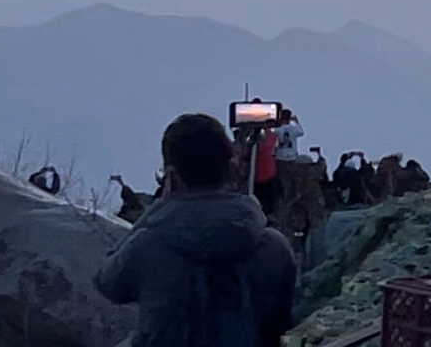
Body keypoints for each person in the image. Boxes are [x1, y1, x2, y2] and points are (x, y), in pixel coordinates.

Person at [95, 113, 298, 347]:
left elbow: (107, 283)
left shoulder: (147, 247)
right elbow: (285, 323)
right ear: (233, 170)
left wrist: (156, 209)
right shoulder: (275, 248)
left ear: (171, 178)